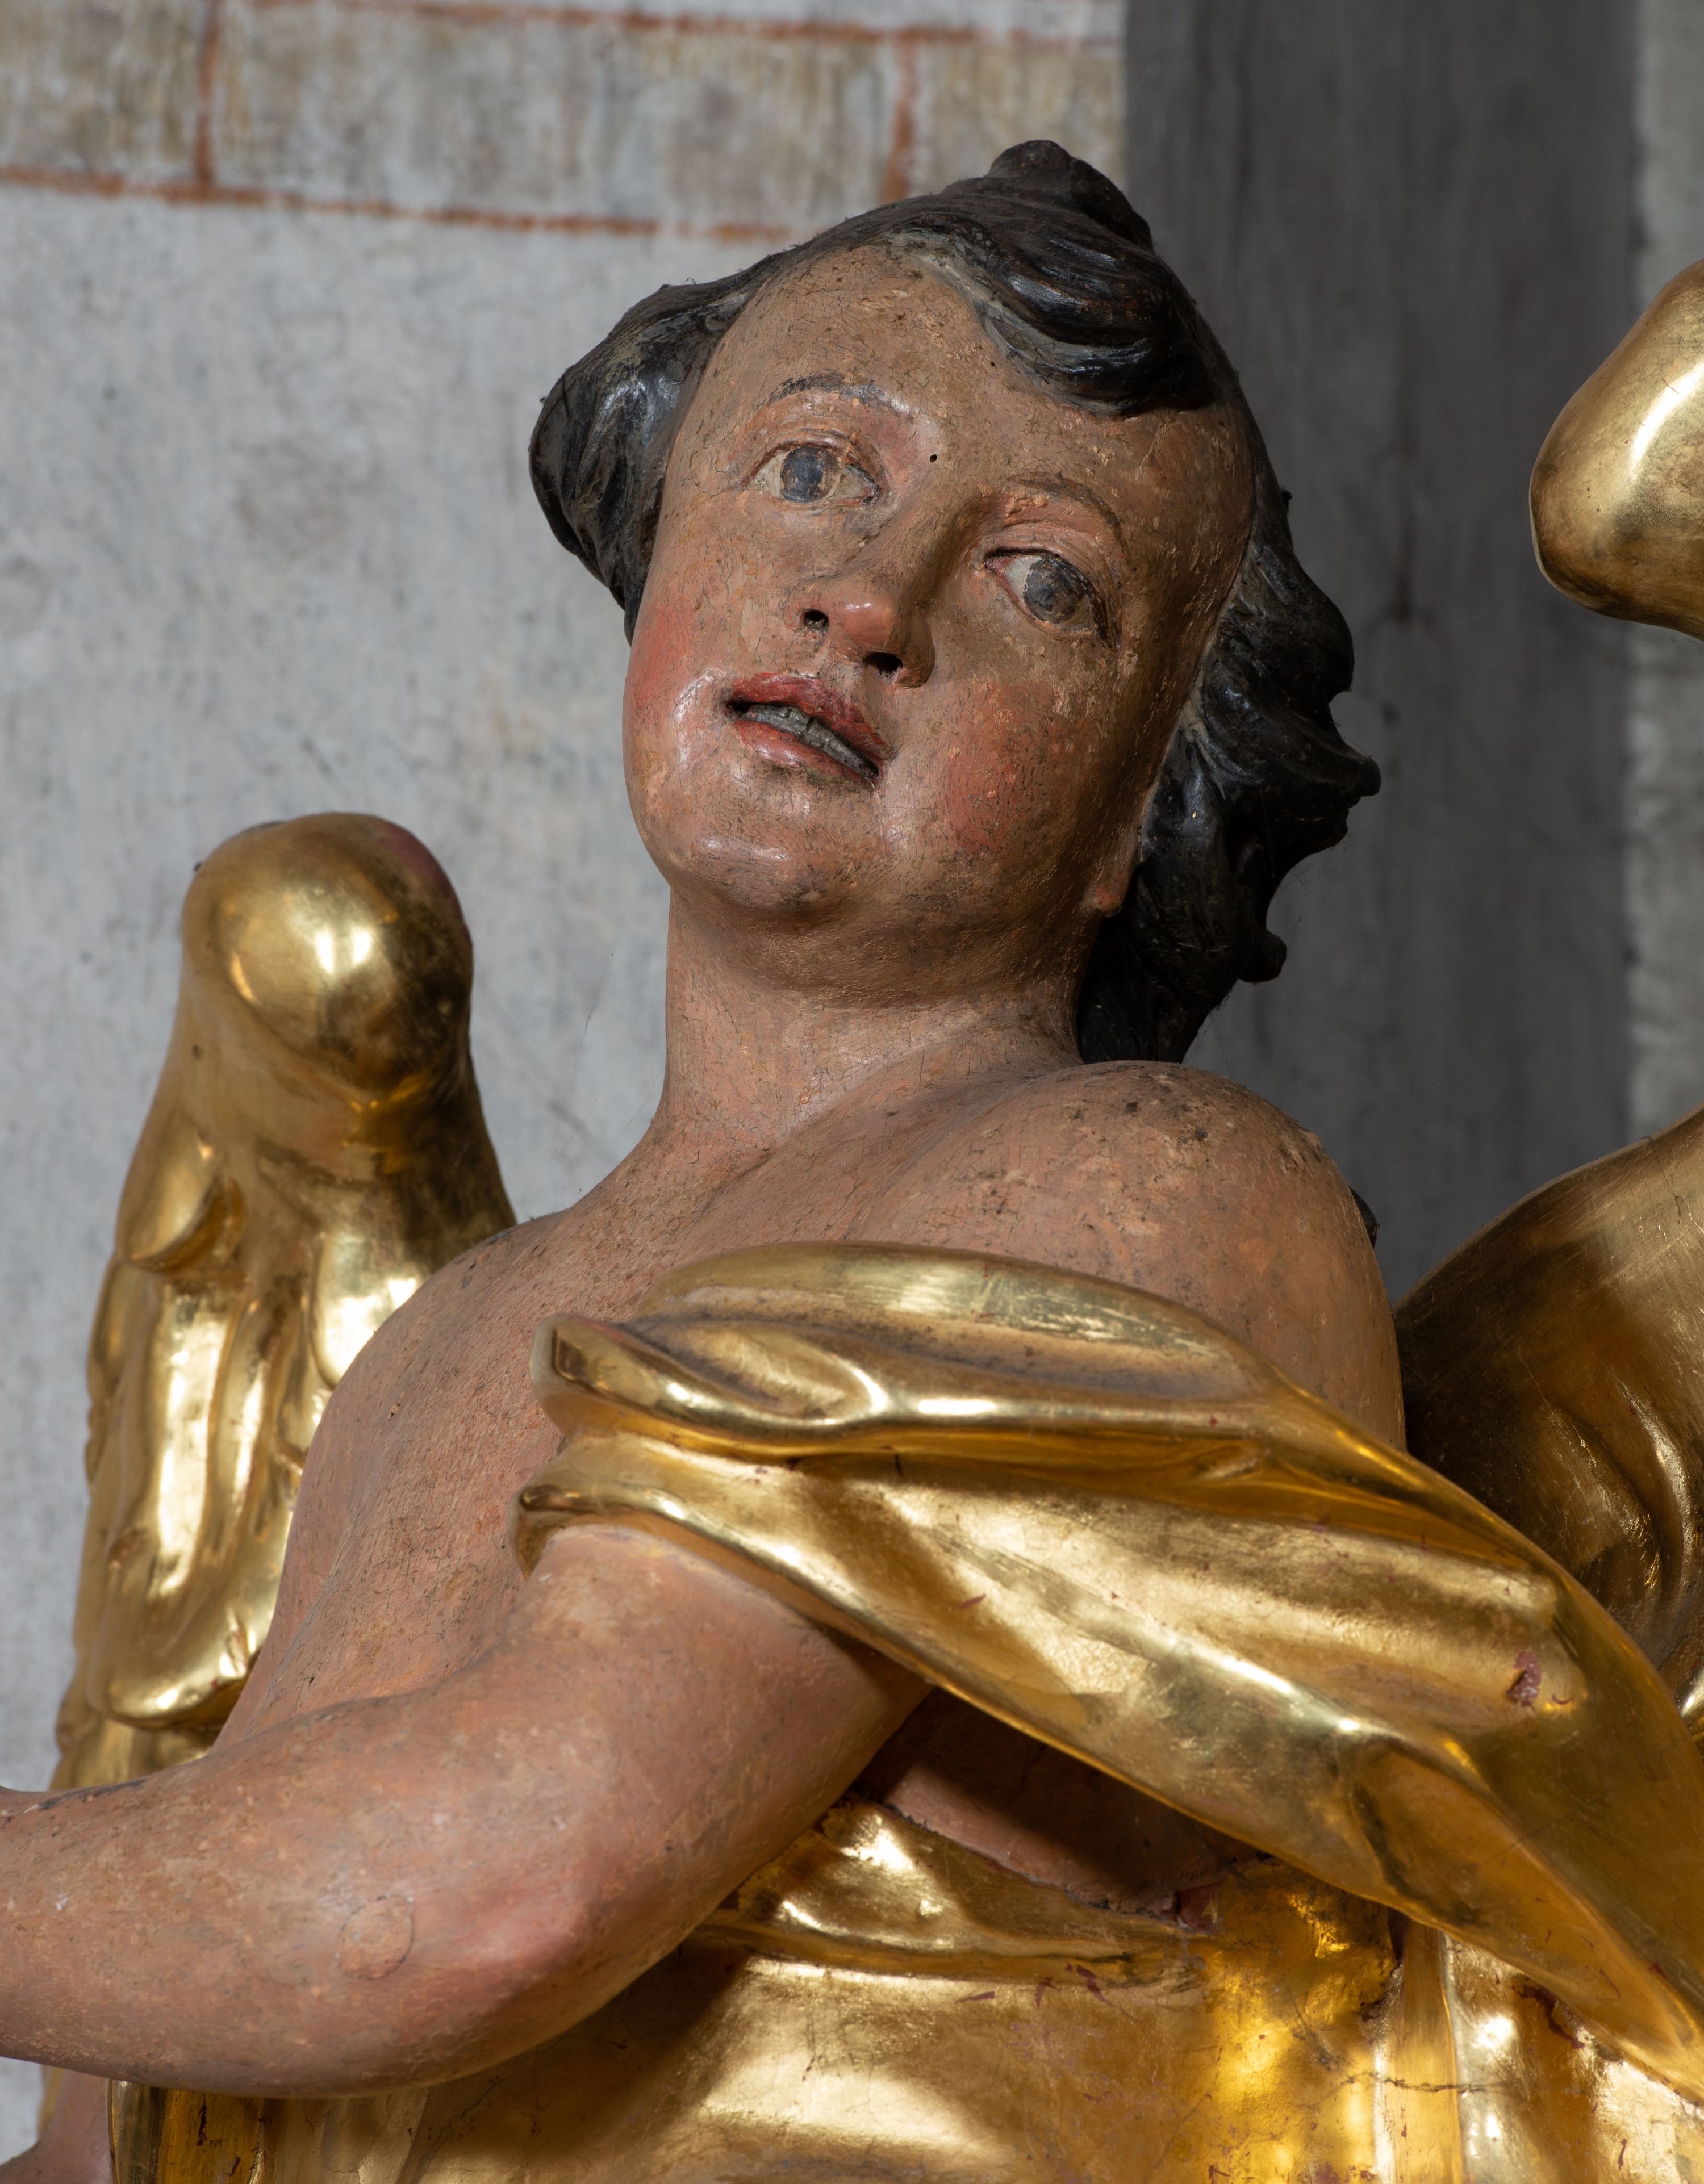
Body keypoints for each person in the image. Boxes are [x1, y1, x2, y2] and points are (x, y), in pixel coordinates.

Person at [2, 142, 1592, 2179]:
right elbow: (160, 2112)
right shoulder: (444, 1345)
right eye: (814, 467)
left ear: (1142, 807)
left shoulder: (1146, 1194)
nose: (873, 598)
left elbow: (491, 1883)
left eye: (1044, 581)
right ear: (659, 539)